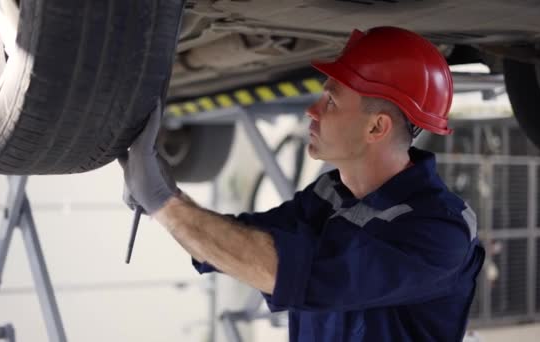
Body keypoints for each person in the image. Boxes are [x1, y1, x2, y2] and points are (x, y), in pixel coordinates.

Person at [119, 26, 486, 342]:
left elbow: (292, 275)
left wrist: (165, 204)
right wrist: (170, 196)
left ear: (376, 127)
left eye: (331, 101)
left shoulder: (438, 231)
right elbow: (243, 240)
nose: (312, 110)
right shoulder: (330, 195)